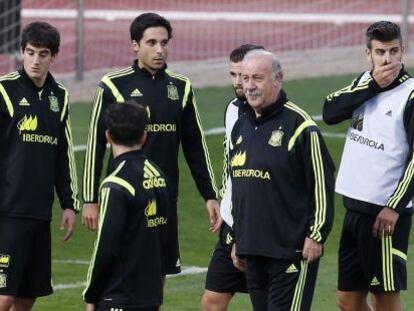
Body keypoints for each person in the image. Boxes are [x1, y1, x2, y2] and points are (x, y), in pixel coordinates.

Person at [82, 12, 220, 276]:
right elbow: (95, 145)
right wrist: (90, 199)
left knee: (158, 273)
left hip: (164, 195)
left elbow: (195, 145)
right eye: (152, 43)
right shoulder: (113, 85)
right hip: (124, 196)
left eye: (164, 43)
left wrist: (209, 194)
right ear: (135, 45)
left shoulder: (181, 87)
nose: (160, 50)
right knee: (118, 270)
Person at [230, 49, 335, 310]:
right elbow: (237, 187)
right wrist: (236, 237)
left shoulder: (300, 126)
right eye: (245, 78)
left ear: (278, 79)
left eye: (257, 78)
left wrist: (316, 235)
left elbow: (322, 183)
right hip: (252, 249)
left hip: (291, 250)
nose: (250, 86)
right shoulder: (240, 125)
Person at [323, 21, 414, 311]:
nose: (387, 59)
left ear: (403, 51)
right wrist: (373, 84)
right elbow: (330, 112)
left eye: (393, 51)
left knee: (385, 300)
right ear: (368, 54)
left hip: (384, 217)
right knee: (347, 301)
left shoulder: (411, 96)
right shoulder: (365, 82)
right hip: (355, 210)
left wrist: (394, 206)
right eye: (380, 52)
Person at [0, 22, 79, 310]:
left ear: (53, 56)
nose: (35, 60)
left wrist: (69, 203)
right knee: (4, 295)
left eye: (43, 54)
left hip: (39, 212)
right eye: (30, 52)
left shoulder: (60, 96)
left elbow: (62, 153)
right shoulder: (4, 90)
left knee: (27, 295)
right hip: (7, 211)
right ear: (21, 52)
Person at [83, 101, 169, 311]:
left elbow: (106, 247)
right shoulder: (157, 174)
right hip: (150, 294)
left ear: (108, 136)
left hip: (119, 296)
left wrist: (92, 294)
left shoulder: (116, 184)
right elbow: (164, 234)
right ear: (144, 136)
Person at [202, 44, 264, 311]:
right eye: (234, 75)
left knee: (267, 304)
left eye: (246, 75)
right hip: (232, 220)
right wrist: (222, 201)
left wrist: (244, 233)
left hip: (260, 227)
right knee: (212, 302)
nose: (239, 82)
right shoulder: (232, 109)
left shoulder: (277, 120)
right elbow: (232, 165)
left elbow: (258, 180)